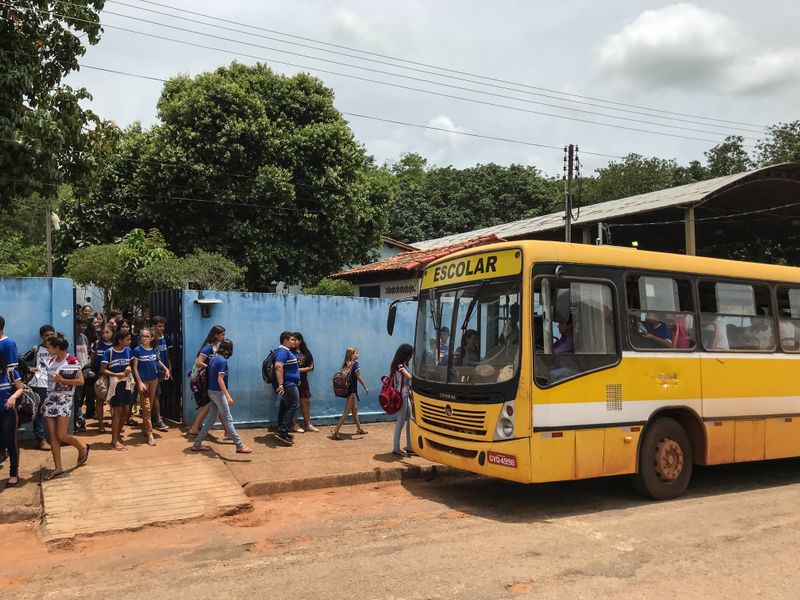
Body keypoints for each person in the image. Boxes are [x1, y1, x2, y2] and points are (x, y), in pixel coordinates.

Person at [191, 339, 252, 454]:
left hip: (211, 392)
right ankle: (239, 445)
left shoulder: (213, 358)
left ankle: (197, 444)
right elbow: (220, 380)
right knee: (228, 419)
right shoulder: (222, 361)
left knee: (212, 419)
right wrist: (228, 396)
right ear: (229, 350)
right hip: (218, 393)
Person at [43, 333, 89, 480]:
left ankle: (81, 448)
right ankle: (58, 468)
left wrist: (63, 380)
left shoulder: (72, 360)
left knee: (61, 435)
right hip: (50, 399)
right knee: (52, 436)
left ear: (57, 347)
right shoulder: (51, 360)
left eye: (49, 347)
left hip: (64, 399)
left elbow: (81, 381)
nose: (47, 349)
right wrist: (44, 402)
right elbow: (49, 384)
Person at [20, 324, 55, 451]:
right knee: (39, 413)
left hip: (55, 384)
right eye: (47, 335)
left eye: (52, 334)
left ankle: (56, 438)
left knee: (54, 411)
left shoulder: (58, 348)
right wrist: (29, 369)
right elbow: (20, 360)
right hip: (39, 384)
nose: (50, 337)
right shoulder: (36, 349)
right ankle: (41, 440)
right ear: (42, 337)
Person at [187, 325, 226, 437]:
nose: (224, 337)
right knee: (212, 405)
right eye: (222, 334)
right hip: (208, 382)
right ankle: (195, 428)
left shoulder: (215, 348)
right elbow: (199, 362)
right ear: (216, 335)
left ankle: (227, 431)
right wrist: (211, 368)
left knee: (217, 406)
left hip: (212, 381)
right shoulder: (208, 348)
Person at [132, 328, 168, 447]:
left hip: (154, 380)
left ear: (152, 338)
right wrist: (140, 382)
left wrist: (166, 369)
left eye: (147, 336)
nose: (144, 338)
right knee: (146, 407)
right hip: (144, 382)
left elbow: (157, 361)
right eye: (143, 336)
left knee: (150, 405)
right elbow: (135, 368)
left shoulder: (153, 349)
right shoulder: (137, 350)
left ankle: (145, 428)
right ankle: (150, 434)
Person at [102, 330, 134, 451]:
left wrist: (128, 368)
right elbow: (103, 369)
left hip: (126, 383)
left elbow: (130, 364)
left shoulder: (128, 351)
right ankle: (113, 441)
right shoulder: (109, 352)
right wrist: (117, 374)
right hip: (115, 385)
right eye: (127, 339)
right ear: (120, 340)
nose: (130, 342)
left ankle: (118, 435)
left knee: (126, 409)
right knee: (117, 411)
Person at [331, 346, 369, 440]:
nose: (357, 355)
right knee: (347, 411)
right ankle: (336, 430)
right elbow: (358, 377)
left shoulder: (346, 364)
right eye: (356, 353)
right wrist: (365, 387)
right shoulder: (355, 364)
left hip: (347, 390)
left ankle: (360, 429)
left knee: (354, 410)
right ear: (352, 355)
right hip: (352, 391)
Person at [273, 332, 301, 446]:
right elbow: (278, 366)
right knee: (294, 404)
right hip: (287, 385)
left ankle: (282, 430)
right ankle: (282, 431)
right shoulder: (283, 351)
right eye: (292, 339)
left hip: (289, 383)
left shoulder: (285, 351)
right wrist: (281, 384)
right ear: (285, 341)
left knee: (285, 406)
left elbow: (288, 368)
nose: (294, 342)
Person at [0, 354, 23, 487]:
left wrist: (13, 397)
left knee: (11, 443)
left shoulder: (10, 372)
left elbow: (20, 388)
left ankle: (13, 474)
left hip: (8, 413)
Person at [390, 343, 415, 458]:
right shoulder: (399, 365)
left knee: (409, 420)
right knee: (401, 422)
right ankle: (396, 448)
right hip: (401, 396)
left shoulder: (403, 363)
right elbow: (408, 377)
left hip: (406, 394)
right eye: (410, 355)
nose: (411, 357)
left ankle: (409, 446)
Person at [292, 332, 319, 433]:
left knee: (306, 401)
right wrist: (301, 369)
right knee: (292, 403)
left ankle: (308, 424)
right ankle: (294, 424)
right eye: (292, 340)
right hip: (291, 380)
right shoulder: (289, 352)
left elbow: (311, 367)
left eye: (295, 340)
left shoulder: (306, 352)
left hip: (303, 380)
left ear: (300, 341)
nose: (293, 342)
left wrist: (298, 370)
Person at [92, 323, 115, 432]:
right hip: (100, 375)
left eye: (107, 332)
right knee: (99, 399)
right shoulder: (97, 344)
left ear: (112, 333)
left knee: (113, 401)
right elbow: (92, 358)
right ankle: (101, 424)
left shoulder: (116, 345)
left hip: (113, 375)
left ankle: (114, 423)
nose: (105, 335)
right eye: (103, 333)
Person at [151, 316, 172, 432]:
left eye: (163, 326)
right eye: (159, 326)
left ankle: (156, 418)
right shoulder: (151, 339)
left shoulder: (166, 338)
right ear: (154, 326)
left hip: (163, 370)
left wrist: (169, 368)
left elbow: (168, 354)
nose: (161, 328)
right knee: (156, 395)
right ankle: (157, 420)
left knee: (159, 395)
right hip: (154, 370)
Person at [73, 318, 90, 431]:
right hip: (75, 371)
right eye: (82, 325)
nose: (84, 328)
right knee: (77, 397)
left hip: (85, 370)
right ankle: (79, 419)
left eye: (85, 326)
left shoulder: (84, 338)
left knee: (81, 396)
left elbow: (86, 353)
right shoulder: (72, 337)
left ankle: (78, 418)